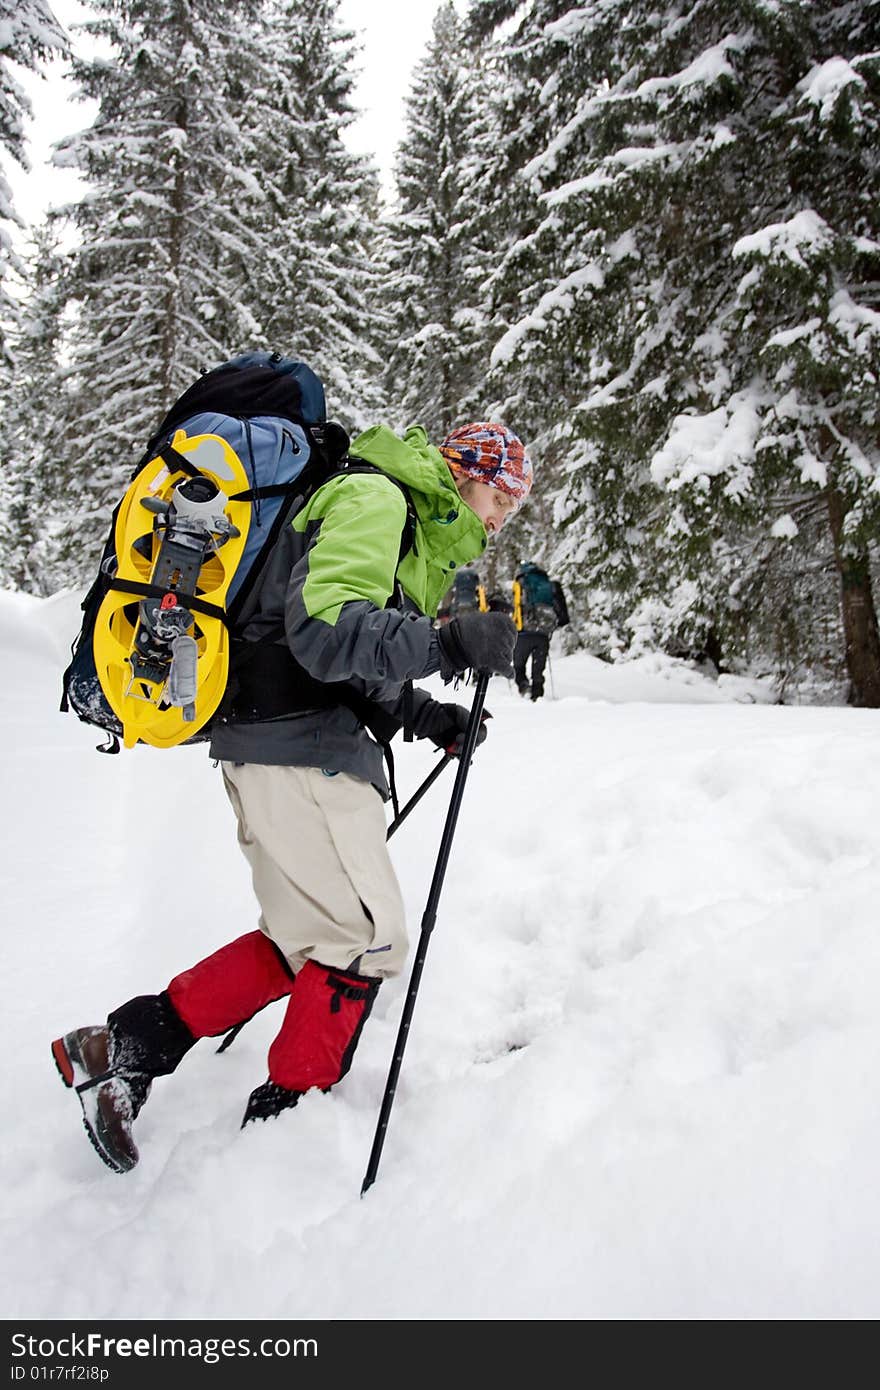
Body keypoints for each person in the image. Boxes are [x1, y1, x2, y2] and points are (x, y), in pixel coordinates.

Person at [52, 418, 533, 1173]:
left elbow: (336, 651)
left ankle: (119, 1048)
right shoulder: (378, 501)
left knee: (301, 940)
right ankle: (286, 1136)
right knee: (366, 940)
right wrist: (443, 646)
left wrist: (419, 713)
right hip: (304, 756)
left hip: (275, 748)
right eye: (506, 491)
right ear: (468, 475)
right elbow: (326, 632)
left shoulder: (394, 517)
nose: (508, 512)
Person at [512, 561, 567, 702]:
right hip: (543, 633)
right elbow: (562, 612)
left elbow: (514, 606)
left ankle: (524, 687)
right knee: (538, 668)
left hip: (523, 633)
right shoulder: (549, 585)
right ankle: (537, 696)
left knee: (518, 666)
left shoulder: (520, 583)